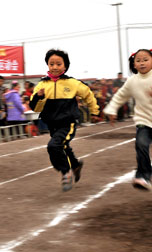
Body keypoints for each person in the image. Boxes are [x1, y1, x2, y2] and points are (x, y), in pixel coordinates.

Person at [104, 47, 152, 191]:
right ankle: (144, 176)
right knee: (141, 145)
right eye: (138, 61)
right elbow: (120, 96)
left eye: (145, 60)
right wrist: (112, 109)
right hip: (143, 121)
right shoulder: (132, 81)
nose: (142, 63)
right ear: (134, 65)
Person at [29, 49, 99, 192]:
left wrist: (95, 111)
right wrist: (39, 97)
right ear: (47, 65)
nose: (54, 67)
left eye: (58, 64)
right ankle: (75, 165)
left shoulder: (72, 83)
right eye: (51, 64)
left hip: (68, 122)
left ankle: (66, 172)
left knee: (54, 146)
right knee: (63, 146)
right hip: (52, 123)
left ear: (65, 66)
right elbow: (35, 107)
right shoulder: (42, 85)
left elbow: (88, 94)